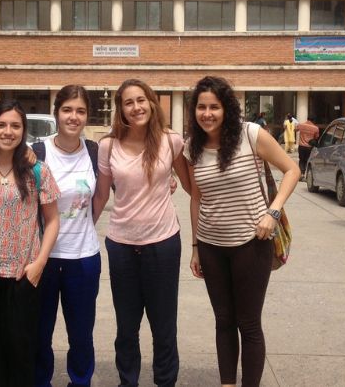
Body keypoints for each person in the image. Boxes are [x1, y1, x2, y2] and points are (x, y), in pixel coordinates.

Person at [185, 76, 299, 387]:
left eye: (214, 107)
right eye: (201, 107)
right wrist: (195, 246)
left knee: (248, 323)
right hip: (210, 245)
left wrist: (272, 213)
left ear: (227, 109)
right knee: (223, 321)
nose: (207, 113)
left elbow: (292, 170)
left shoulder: (251, 135)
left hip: (252, 243)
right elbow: (197, 198)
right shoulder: (192, 146)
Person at [92, 78, 191, 387]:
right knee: (126, 326)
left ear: (151, 102)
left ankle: (165, 382)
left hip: (163, 244)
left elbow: (191, 185)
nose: (136, 107)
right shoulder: (108, 146)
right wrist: (80, 233)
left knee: (164, 327)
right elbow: (101, 196)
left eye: (140, 100)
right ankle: (128, 381)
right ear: (120, 110)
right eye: (128, 103)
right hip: (121, 245)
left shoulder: (170, 140)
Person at [0, 100, 61, 387]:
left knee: (22, 353)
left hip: (22, 276)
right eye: (1, 125)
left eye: (15, 126)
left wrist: (39, 263)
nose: (8, 132)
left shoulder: (37, 171)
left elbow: (52, 220)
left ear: (24, 130)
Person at [32, 85, 101, 387]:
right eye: (67, 110)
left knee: (82, 334)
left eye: (81, 111)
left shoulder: (95, 152)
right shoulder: (37, 152)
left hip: (83, 259)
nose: (74, 117)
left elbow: (104, 200)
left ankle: (80, 381)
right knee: (39, 333)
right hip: (42, 259)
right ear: (56, 112)